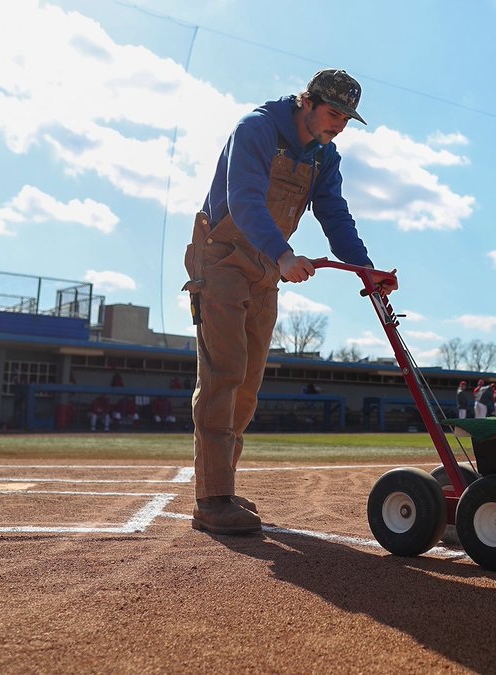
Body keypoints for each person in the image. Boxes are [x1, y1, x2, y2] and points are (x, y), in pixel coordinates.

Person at [184, 69, 390, 535]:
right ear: (307, 102)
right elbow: (245, 200)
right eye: (333, 113)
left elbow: (335, 215)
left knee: (250, 383)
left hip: (265, 268)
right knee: (225, 372)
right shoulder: (256, 130)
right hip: (221, 259)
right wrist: (284, 255)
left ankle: (223, 485)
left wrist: (365, 268)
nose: (338, 124)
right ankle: (211, 499)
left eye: (346, 118)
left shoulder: (324, 156)